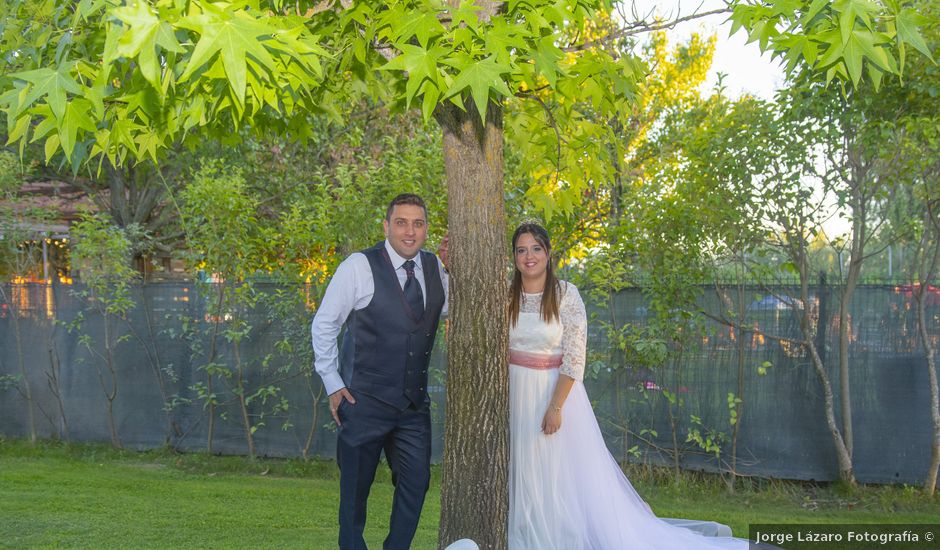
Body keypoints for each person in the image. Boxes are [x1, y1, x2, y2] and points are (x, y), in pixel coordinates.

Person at [507, 222, 749, 550]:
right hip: (514, 393)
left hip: (553, 394)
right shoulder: (505, 295)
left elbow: (575, 357)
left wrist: (555, 407)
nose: (529, 256)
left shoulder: (566, 295)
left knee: (555, 474)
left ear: (548, 253)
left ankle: (557, 538)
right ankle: (522, 534)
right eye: (521, 250)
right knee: (521, 473)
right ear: (514, 257)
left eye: (536, 248)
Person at [311, 193, 448, 550]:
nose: (409, 231)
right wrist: (332, 383)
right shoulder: (358, 266)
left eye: (417, 224)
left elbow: (453, 307)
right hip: (363, 401)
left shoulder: (435, 270)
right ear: (387, 226)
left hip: (413, 408)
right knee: (354, 492)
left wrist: (455, 269)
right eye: (401, 222)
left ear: (426, 229)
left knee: (417, 483)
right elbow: (324, 325)